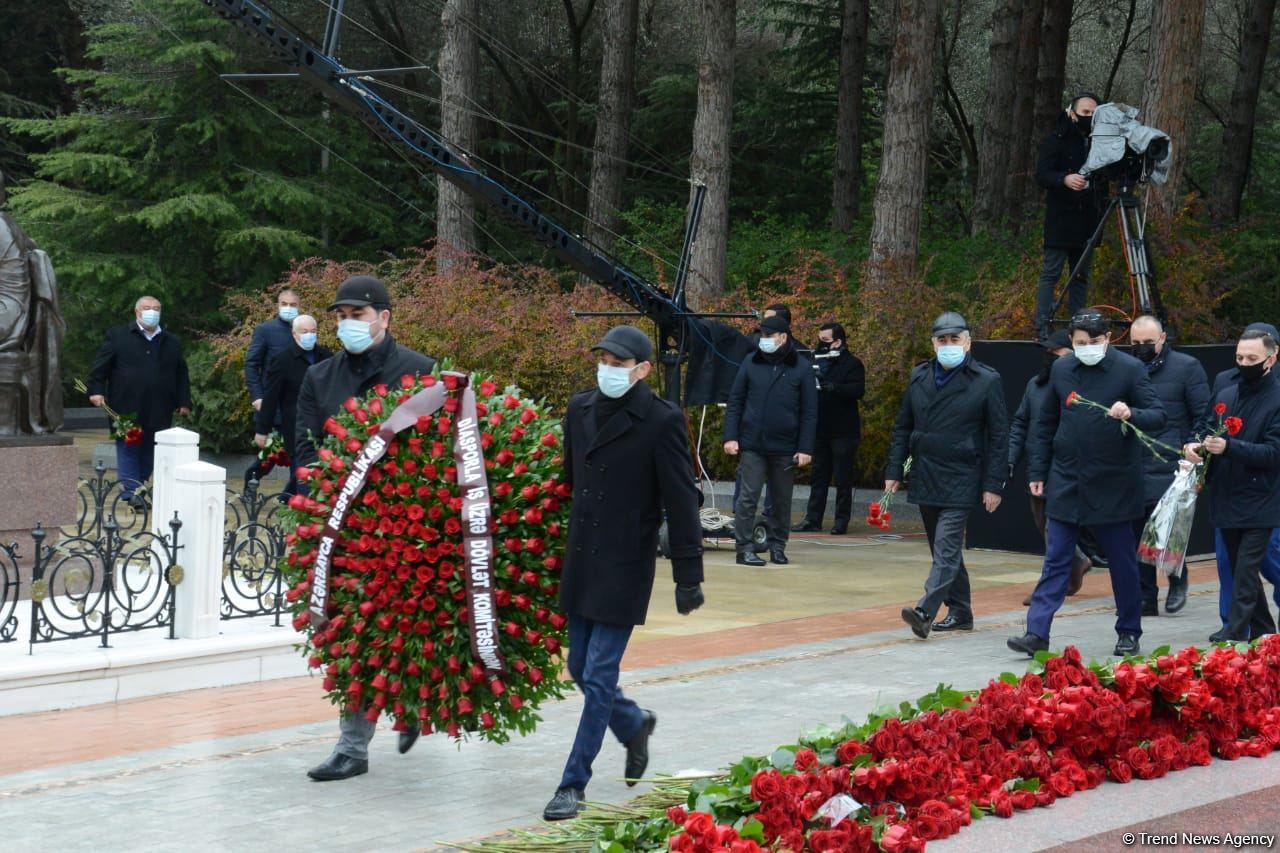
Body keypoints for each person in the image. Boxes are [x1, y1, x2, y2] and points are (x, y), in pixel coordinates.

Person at [543, 325, 705, 821]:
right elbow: (571, 480)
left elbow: (681, 500)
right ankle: (633, 724)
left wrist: (688, 575)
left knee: (596, 675)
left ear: (643, 370)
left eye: (619, 364)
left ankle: (574, 783)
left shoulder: (661, 420)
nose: (609, 371)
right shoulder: (580, 408)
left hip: (624, 563)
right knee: (577, 668)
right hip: (583, 556)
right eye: (604, 361)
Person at [297, 275, 436, 782]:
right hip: (345, 529)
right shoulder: (320, 378)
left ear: (384, 318)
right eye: (341, 316)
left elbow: (434, 451)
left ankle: (413, 704)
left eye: (357, 314)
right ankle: (352, 747)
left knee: (409, 622)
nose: (347, 324)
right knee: (354, 631)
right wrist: (325, 497)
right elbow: (306, 449)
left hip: (405, 526)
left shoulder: (418, 372)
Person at [1010, 311, 1165, 658]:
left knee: (1122, 560)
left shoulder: (1129, 370)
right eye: (1081, 343)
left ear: (1108, 339)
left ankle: (1128, 630)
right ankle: (1037, 631)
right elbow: (1046, 422)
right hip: (1067, 477)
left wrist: (1131, 413)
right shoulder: (1063, 370)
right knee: (1056, 557)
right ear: (1072, 343)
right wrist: (1038, 472)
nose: (1088, 348)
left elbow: (1158, 415)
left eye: (1095, 342)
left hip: (1113, 480)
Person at [889, 312, 1008, 638]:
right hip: (926, 472)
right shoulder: (919, 376)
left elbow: (999, 436)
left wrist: (994, 483)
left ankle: (925, 611)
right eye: (942, 340)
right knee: (944, 550)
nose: (948, 345)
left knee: (945, 546)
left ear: (968, 342)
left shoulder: (986, 380)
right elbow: (903, 428)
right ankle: (961, 611)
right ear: (933, 343)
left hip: (962, 473)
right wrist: (894, 470)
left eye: (955, 339)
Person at [1188, 329, 1280, 642]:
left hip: (1262, 498)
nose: (1244, 363)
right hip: (1226, 495)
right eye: (1239, 357)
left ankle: (1236, 632)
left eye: (1252, 358)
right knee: (1245, 573)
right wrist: (1195, 446)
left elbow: (1274, 453)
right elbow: (1205, 427)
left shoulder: (1277, 397)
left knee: (1244, 570)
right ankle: (1267, 633)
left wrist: (1229, 447)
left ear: (1272, 357)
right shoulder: (1227, 391)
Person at [1128, 315, 1209, 616]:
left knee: (1166, 526)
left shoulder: (1187, 368)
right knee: (1140, 529)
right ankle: (1146, 597)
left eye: (1147, 343)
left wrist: (1191, 445)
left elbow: (1203, 413)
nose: (1141, 348)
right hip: (1136, 458)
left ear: (1162, 338)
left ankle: (1177, 578)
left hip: (1172, 459)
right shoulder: (1129, 369)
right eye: (1136, 343)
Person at [723, 314, 817, 567]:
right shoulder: (750, 363)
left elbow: (809, 411)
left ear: (783, 337)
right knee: (747, 496)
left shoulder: (801, 367)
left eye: (768, 335)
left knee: (781, 499)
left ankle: (778, 545)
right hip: (753, 443)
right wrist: (731, 436)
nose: (763, 340)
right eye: (761, 335)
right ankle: (744, 548)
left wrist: (805, 447)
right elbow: (736, 401)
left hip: (785, 446)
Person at [1008, 331, 1092, 607]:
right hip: (1037, 466)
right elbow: (1021, 423)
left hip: (1066, 467)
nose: (1052, 359)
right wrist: (1010, 458)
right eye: (1049, 354)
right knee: (1043, 523)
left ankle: (1048, 588)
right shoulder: (1036, 384)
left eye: (1059, 354)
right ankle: (1077, 560)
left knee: (1053, 531)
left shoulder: (1081, 387)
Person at [86, 296, 192, 508]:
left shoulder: (171, 342)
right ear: (137, 312)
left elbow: (181, 374)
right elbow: (100, 368)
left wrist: (184, 401)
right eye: (146, 308)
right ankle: (132, 493)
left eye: (156, 308)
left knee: (151, 451)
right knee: (128, 447)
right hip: (125, 406)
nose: (152, 312)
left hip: (160, 406)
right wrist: (96, 391)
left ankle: (137, 488)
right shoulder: (118, 336)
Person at [1034, 93, 1104, 338]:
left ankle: (1080, 327)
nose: (1089, 118)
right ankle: (1042, 325)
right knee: (1051, 273)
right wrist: (1063, 178)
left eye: (1094, 114)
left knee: (1081, 277)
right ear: (1072, 113)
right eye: (1085, 113)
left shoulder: (1100, 143)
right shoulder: (1055, 141)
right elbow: (1042, 174)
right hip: (1060, 219)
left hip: (1088, 221)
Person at [794, 322, 865, 535]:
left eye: (825, 341)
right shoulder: (815, 361)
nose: (821, 345)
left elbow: (858, 390)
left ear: (838, 341)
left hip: (844, 430)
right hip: (821, 428)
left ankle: (841, 520)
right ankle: (813, 518)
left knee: (843, 478)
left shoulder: (852, 363)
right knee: (818, 477)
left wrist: (835, 388)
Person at [252, 314, 332, 497]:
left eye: (313, 331)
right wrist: (262, 429)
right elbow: (271, 397)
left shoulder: (326, 357)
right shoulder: (282, 360)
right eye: (304, 332)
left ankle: (287, 500)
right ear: (294, 334)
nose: (309, 335)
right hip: (296, 429)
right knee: (303, 476)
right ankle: (299, 510)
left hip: (324, 428)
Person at [244, 289, 302, 487]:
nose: (288, 308)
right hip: (272, 404)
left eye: (293, 305)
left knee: (299, 454)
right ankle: (250, 483)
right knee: (269, 456)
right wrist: (258, 396)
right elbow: (252, 364)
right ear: (277, 306)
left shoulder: (305, 330)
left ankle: (290, 497)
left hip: (297, 405)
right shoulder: (266, 330)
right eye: (284, 304)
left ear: (299, 306)